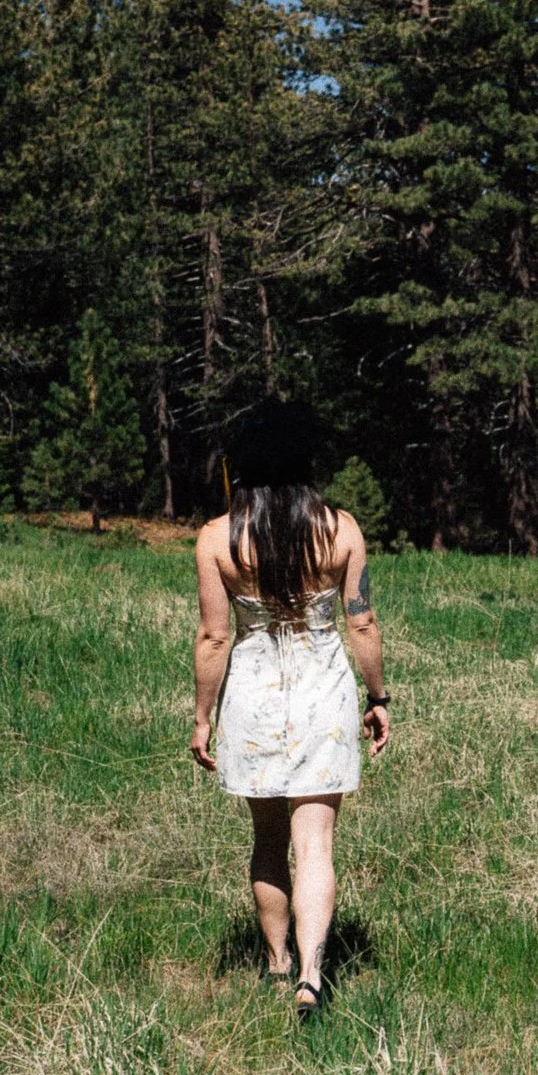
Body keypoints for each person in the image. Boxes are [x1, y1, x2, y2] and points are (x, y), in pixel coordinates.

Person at [188, 404, 389, 1022]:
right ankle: (312, 974)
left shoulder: (218, 538)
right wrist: (378, 697)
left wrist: (202, 718)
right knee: (316, 844)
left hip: (252, 698)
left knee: (268, 841)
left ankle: (276, 965)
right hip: (323, 694)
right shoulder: (341, 530)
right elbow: (362, 621)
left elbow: (214, 639)